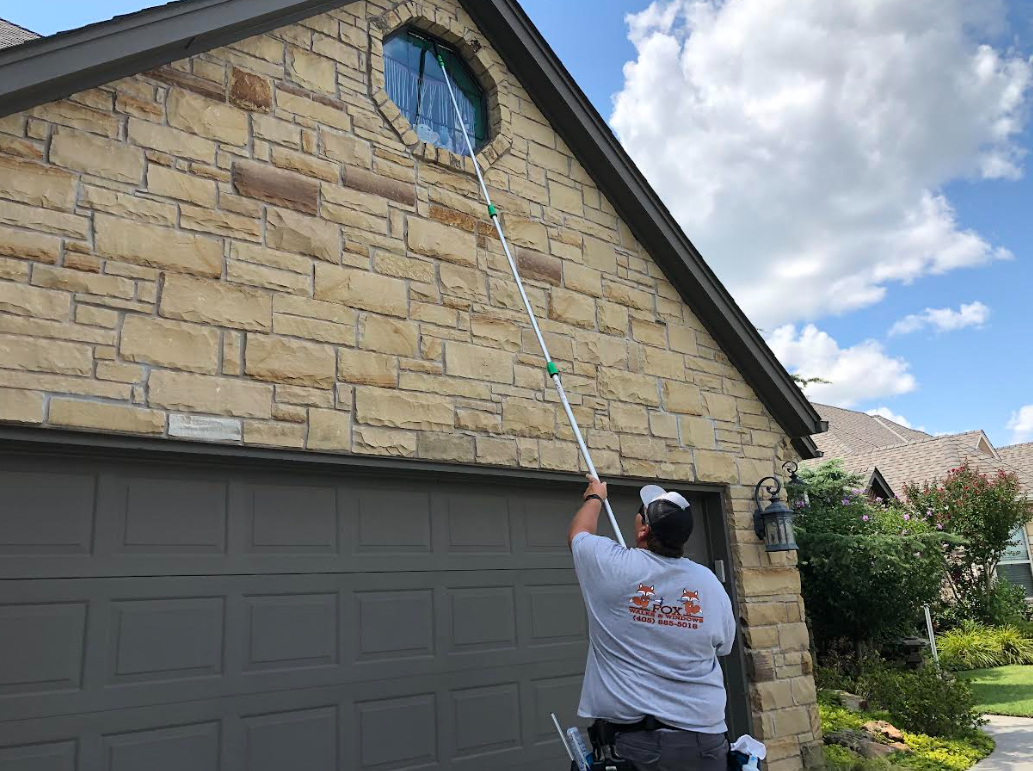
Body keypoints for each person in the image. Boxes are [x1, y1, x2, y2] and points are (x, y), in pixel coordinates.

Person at [568, 475, 736, 771]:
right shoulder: (708, 583)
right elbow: (723, 648)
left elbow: (579, 535)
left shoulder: (616, 566)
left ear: (643, 529)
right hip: (707, 743)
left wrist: (595, 497)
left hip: (642, 746)